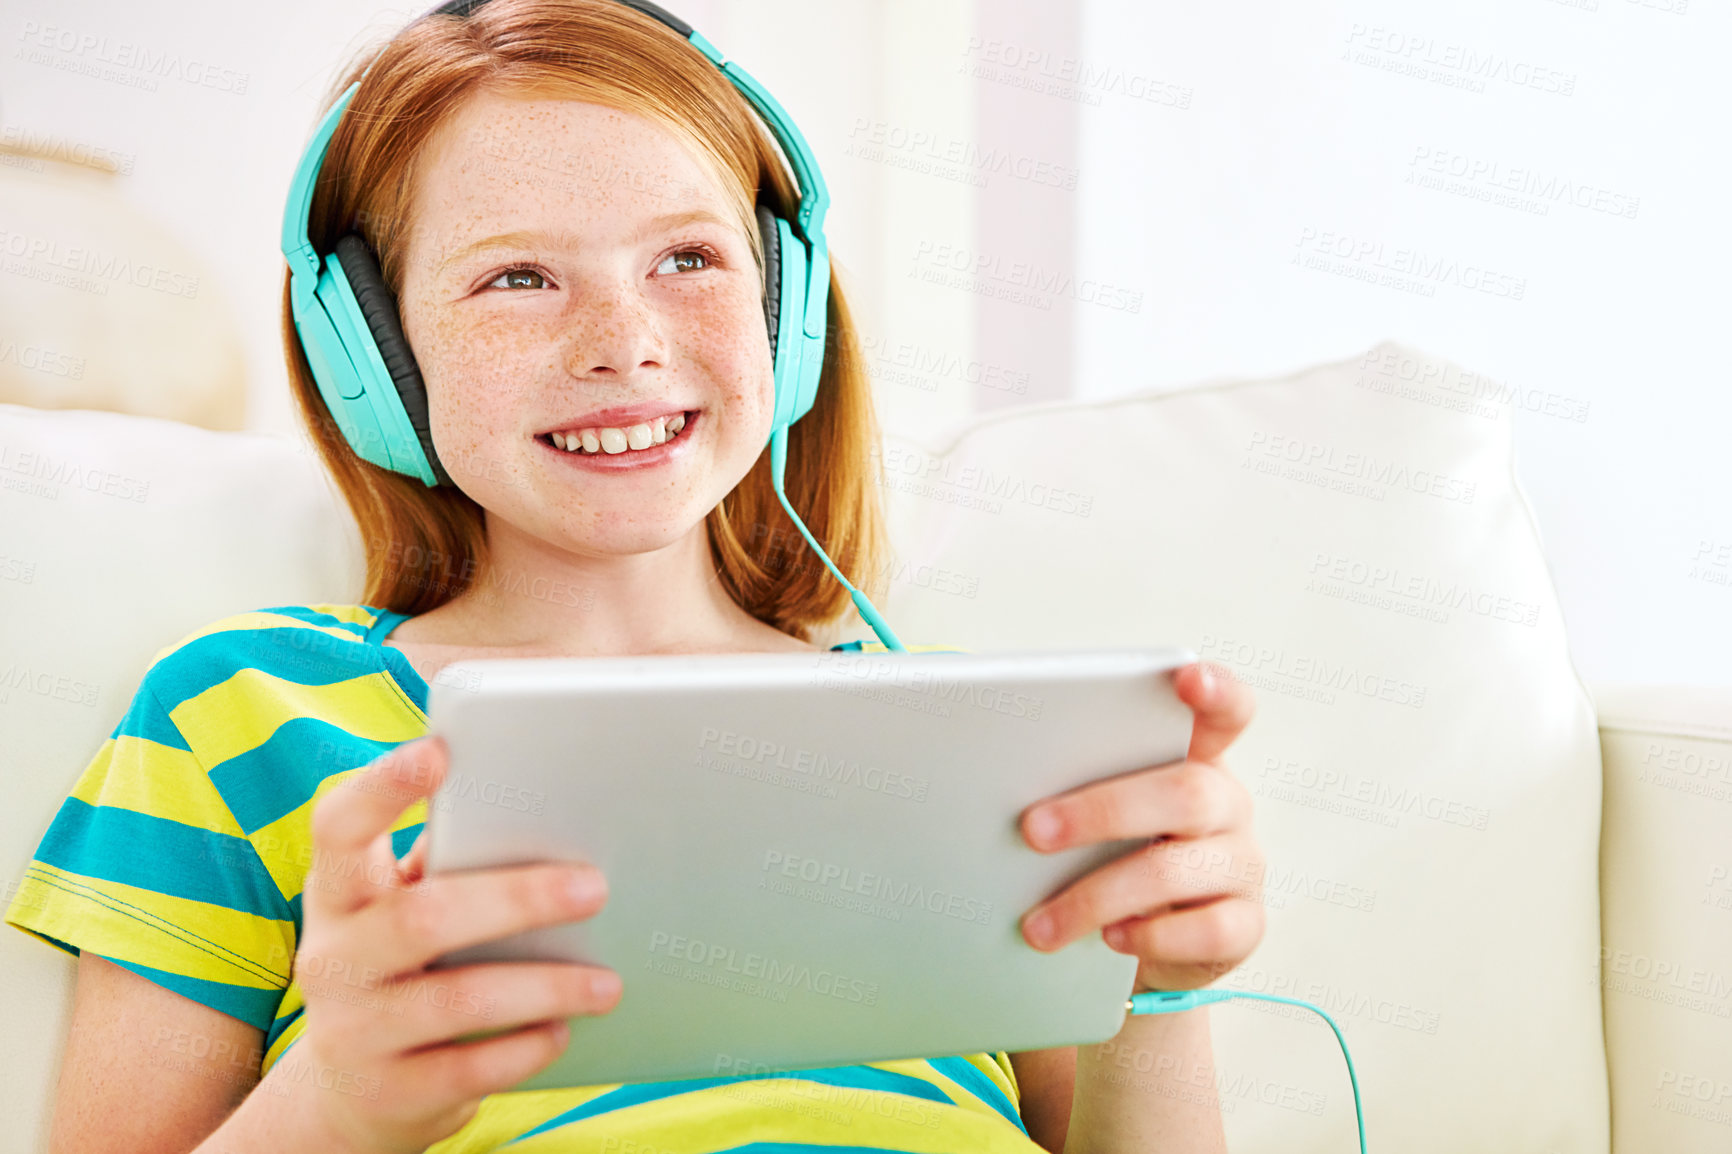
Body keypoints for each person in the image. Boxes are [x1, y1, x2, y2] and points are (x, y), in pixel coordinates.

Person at [4, 2, 1266, 1151]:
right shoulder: (244, 711)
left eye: (688, 259)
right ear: (372, 356)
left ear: (792, 304)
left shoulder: (977, 741)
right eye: (517, 278)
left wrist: (1155, 989)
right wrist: (338, 1090)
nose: (625, 342)